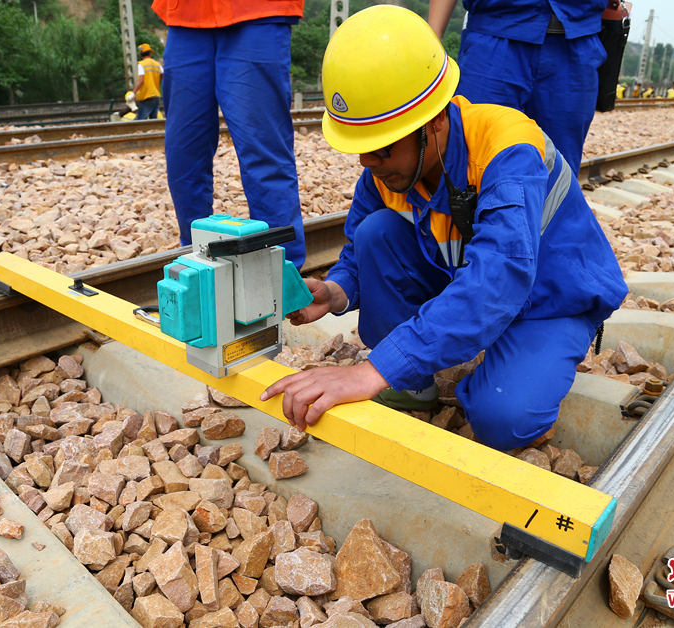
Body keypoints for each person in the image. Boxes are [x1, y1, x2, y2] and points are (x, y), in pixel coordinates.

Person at [260, 6, 627, 452]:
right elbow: (360, 250)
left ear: (433, 122)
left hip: (551, 296)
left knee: (503, 420)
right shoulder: (387, 170)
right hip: (467, 276)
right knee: (378, 231)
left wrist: (370, 372)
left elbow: (499, 278)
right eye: (361, 149)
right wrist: (335, 290)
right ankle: (415, 383)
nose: (366, 163)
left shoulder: (507, 150)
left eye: (380, 149)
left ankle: (520, 356)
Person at [151, 0, 306, 269]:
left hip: (258, 11)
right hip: (186, 13)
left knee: (263, 153)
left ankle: (281, 275)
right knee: (183, 155)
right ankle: (198, 262)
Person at [427, 0, 609, 176]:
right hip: (494, 33)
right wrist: (432, 44)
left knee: (559, 169)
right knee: (472, 158)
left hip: (576, 39)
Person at [133, 43, 163, 120]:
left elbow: (140, 80)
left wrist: (133, 93)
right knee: (153, 121)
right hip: (156, 96)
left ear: (141, 54)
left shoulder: (141, 64)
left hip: (147, 96)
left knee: (140, 121)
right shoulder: (157, 64)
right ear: (150, 52)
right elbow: (163, 76)